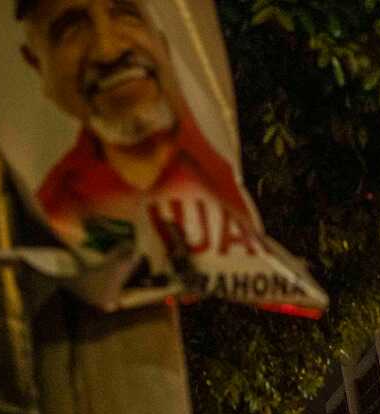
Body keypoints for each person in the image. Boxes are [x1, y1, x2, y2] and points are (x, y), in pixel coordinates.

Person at [16, 0, 251, 250]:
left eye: (127, 15)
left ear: (162, 37)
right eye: (71, 31)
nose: (109, 51)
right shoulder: (52, 213)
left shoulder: (214, 155)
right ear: (37, 65)